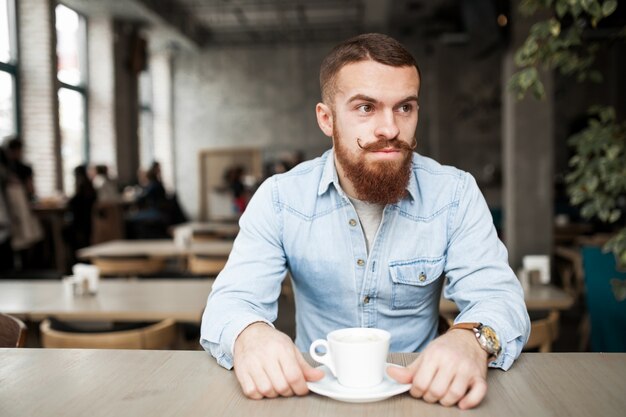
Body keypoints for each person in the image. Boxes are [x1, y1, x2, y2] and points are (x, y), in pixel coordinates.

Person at [201, 33, 530, 409]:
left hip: (426, 396)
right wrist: (250, 334)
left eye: (405, 108)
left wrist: (471, 340)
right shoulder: (279, 199)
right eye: (365, 108)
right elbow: (229, 303)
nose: (389, 129)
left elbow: (500, 298)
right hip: (311, 395)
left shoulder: (455, 194)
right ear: (326, 119)